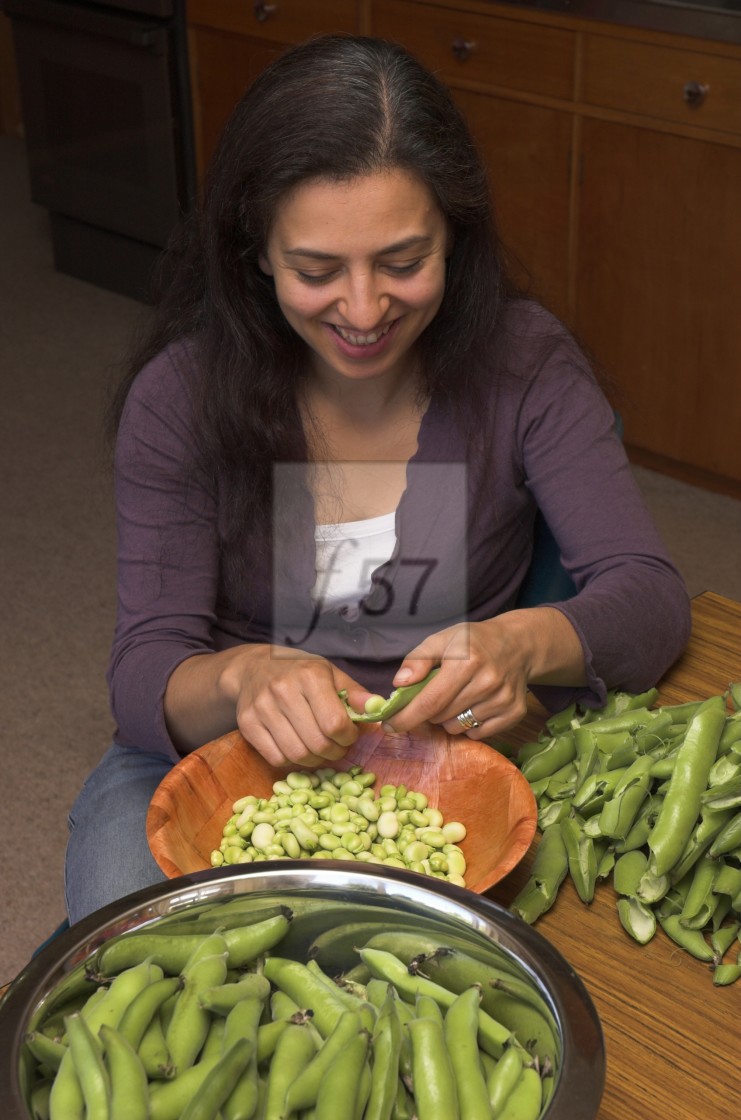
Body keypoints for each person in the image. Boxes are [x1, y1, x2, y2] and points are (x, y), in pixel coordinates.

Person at [64, 34, 691, 924]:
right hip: (219, 758)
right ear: (258, 254)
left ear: (456, 238)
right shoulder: (182, 396)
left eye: (403, 262)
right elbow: (142, 676)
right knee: (128, 964)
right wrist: (244, 678)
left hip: (450, 763)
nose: (363, 312)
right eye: (316, 270)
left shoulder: (525, 363)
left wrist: (519, 643)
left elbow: (650, 599)